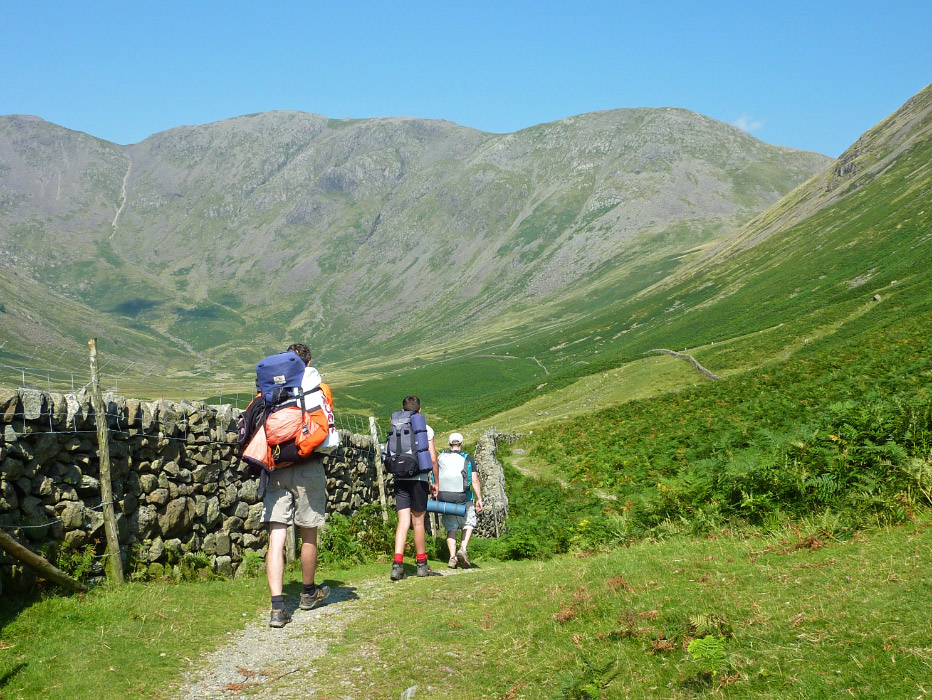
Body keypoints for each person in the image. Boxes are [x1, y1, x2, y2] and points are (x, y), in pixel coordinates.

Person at [261, 343, 330, 628]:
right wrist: (303, 448)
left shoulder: (269, 388)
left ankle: (277, 607)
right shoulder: (317, 387)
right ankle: (308, 593)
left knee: (276, 536)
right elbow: (324, 427)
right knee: (308, 532)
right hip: (308, 466)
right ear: (308, 363)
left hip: (277, 467)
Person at [390, 395, 439, 580]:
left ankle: (397, 566)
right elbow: (432, 458)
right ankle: (421, 565)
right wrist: (435, 481)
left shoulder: (397, 426)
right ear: (419, 410)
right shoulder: (425, 428)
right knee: (418, 522)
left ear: (403, 410)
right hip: (419, 479)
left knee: (403, 521)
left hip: (400, 477)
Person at [437, 432, 483, 568]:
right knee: (468, 523)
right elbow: (474, 480)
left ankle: (452, 558)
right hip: (464, 497)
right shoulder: (467, 458)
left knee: (451, 527)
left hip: (445, 497)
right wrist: (479, 498)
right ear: (462, 443)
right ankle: (462, 549)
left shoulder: (441, 457)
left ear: (449, 444)